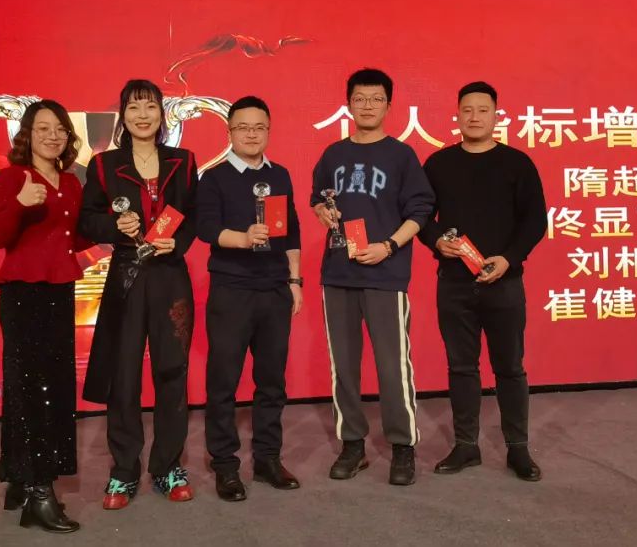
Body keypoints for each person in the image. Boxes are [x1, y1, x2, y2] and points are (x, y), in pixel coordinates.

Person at [310, 68, 434, 486]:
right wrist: (322, 212)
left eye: (375, 99)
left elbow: (420, 212)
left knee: (392, 366)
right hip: (338, 272)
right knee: (343, 365)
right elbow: (318, 200)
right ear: (348, 104)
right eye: (359, 99)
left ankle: (403, 446)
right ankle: (352, 444)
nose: (367, 106)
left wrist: (389, 246)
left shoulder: (402, 156)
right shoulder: (333, 154)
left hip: (385, 272)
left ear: (388, 105)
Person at [79, 79, 198, 509]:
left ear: (161, 114)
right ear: (123, 115)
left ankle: (167, 467)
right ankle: (124, 470)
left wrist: (176, 242)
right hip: (126, 276)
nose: (142, 115)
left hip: (170, 275)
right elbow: (86, 220)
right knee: (123, 374)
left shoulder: (184, 161)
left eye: (150, 107)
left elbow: (195, 215)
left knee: (172, 372)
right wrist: (115, 227)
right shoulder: (104, 165)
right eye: (134, 107)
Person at [419, 81, 547, 481]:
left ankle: (518, 448)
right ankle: (466, 445)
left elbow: (535, 221)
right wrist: (436, 240)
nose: (474, 117)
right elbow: (420, 216)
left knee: (510, 367)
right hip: (454, 283)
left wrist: (509, 259)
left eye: (483, 110)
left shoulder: (517, 163)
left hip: (504, 283)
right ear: (457, 115)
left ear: (496, 115)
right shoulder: (438, 164)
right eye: (467, 110)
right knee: (461, 367)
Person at [0, 98, 86, 532]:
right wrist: (21, 202)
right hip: (22, 295)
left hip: (60, 291)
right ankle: (40, 494)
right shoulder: (11, 177)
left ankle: (20, 478)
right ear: (27, 134)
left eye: (60, 129)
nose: (53, 135)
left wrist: (121, 228)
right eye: (43, 128)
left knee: (55, 387)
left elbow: (74, 235)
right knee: (31, 390)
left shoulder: (72, 182)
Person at [196, 96, 303, 502]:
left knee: (272, 381)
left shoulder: (281, 175)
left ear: (269, 131)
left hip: (275, 289)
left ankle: (267, 458)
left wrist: (295, 281)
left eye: (259, 127)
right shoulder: (214, 178)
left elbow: (292, 231)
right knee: (223, 381)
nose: (251, 134)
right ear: (230, 131)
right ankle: (225, 464)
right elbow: (206, 229)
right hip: (232, 290)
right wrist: (243, 239)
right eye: (243, 127)